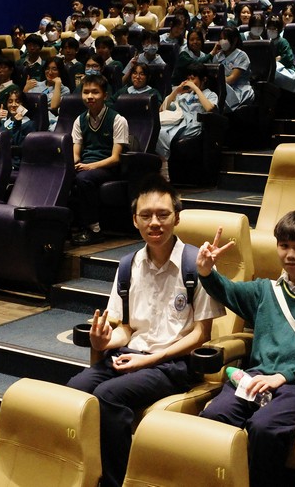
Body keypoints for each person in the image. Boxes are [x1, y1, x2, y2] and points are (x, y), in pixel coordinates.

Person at [66, 177, 224, 487]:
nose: (155, 222)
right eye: (146, 215)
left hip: (173, 364)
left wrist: (152, 359)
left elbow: (201, 334)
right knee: (75, 389)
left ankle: (116, 482)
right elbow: (126, 328)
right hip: (130, 355)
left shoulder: (197, 265)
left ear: (177, 218)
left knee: (108, 396)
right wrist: (105, 340)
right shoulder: (128, 265)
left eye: (163, 215)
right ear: (134, 220)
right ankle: (87, 473)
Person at [197, 211, 295, 487]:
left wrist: (283, 376)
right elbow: (226, 290)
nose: (291, 254)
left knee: (264, 427)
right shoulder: (265, 290)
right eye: (284, 246)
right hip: (256, 378)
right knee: (213, 416)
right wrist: (207, 271)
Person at [70, 74, 130, 245]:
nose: (90, 96)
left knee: (84, 179)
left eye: (95, 92)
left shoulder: (117, 120)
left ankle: (94, 230)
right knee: (62, 176)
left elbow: (116, 158)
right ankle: (66, 226)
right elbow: (76, 154)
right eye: (86, 92)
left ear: (105, 95)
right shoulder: (79, 120)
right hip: (86, 166)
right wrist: (68, 166)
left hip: (108, 167)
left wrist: (90, 166)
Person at [157, 63, 218, 177]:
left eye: (193, 78)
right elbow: (162, 109)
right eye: (188, 78)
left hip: (194, 126)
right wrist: (176, 91)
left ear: (204, 79)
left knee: (163, 133)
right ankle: (164, 165)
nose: (189, 82)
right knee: (159, 132)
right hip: (179, 122)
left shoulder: (210, 94)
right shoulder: (185, 96)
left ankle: (165, 171)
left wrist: (196, 89)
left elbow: (210, 108)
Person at [212, 26, 254, 113]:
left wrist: (215, 80)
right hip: (220, 87)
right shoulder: (217, 56)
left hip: (239, 89)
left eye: (225, 38)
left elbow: (231, 79)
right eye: (221, 38)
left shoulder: (241, 56)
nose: (222, 41)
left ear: (234, 40)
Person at [0, 89, 35, 168]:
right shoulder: (4, 121)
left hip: (15, 163)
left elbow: (16, 144)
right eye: (10, 101)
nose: (13, 105)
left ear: (23, 105)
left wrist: (17, 123)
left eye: (17, 102)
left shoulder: (29, 124)